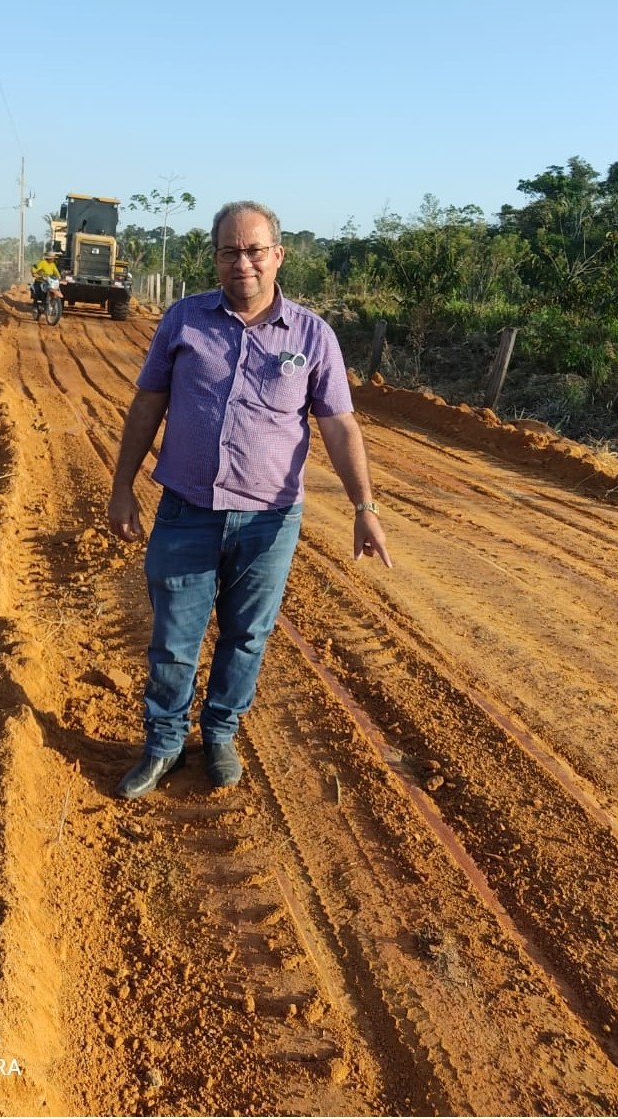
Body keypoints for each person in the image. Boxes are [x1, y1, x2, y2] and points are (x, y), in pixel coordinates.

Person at [106, 200, 392, 798]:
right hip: (186, 509)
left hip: (269, 520)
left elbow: (340, 427)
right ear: (214, 257)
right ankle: (162, 745)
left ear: (277, 255)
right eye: (230, 251)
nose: (244, 263)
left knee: (247, 635)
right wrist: (123, 485)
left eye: (255, 250)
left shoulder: (313, 336)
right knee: (174, 639)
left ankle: (219, 734)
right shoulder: (183, 321)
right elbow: (147, 405)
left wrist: (364, 507)